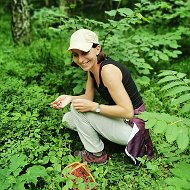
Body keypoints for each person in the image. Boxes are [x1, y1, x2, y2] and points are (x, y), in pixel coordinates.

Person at [52, 29, 154, 165]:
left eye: (84, 52)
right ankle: (107, 139)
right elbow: (88, 97)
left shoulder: (108, 70)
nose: (80, 60)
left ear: (97, 48)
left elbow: (128, 112)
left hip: (134, 127)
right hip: (121, 120)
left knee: (77, 109)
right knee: (68, 119)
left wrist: (95, 107)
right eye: (76, 55)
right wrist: (69, 97)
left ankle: (96, 155)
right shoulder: (93, 69)